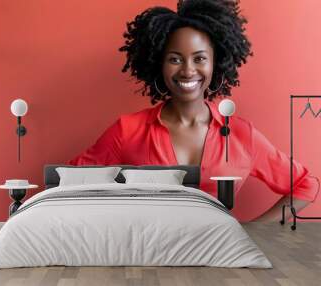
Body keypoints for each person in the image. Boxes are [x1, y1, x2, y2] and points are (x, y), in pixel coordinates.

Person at [67, 0, 319, 221]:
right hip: (148, 261)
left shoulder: (242, 135)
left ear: (216, 63)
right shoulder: (127, 130)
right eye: (175, 59)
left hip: (221, 262)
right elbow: (67, 181)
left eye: (199, 58)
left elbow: (305, 185)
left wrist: (256, 231)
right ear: (158, 63)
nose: (188, 70)